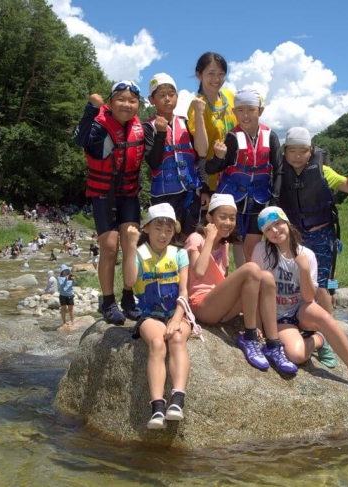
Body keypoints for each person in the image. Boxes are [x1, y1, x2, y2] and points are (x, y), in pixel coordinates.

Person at [252, 207, 348, 392]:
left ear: (287, 223)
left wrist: (305, 270)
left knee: (324, 317)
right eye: (268, 229)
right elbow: (257, 290)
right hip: (277, 316)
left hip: (301, 308)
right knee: (296, 355)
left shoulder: (307, 254)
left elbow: (308, 297)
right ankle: (318, 340)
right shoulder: (261, 251)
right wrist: (258, 324)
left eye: (277, 224)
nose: (275, 231)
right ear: (264, 234)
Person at [184, 193, 297, 374]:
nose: (228, 222)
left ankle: (273, 343)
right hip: (202, 306)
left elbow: (224, 280)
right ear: (209, 217)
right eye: (222, 217)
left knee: (266, 277)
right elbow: (199, 272)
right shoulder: (196, 239)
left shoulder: (224, 244)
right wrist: (210, 239)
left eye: (232, 218)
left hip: (222, 308)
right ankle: (249, 337)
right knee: (251, 268)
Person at [74, 80, 145, 324]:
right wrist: (90, 109)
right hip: (103, 193)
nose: (126, 104)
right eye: (121, 99)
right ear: (111, 101)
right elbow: (78, 138)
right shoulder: (98, 126)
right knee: (110, 247)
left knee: (130, 243)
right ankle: (107, 301)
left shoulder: (141, 128)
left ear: (138, 105)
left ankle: (128, 297)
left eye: (132, 100)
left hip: (128, 194)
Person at [278, 127, 348, 314]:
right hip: (294, 236)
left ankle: (327, 330)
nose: (297, 156)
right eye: (292, 151)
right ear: (284, 152)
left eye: (303, 151)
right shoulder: (278, 173)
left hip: (321, 234)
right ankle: (300, 320)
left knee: (321, 284)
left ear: (311, 151)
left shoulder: (322, 170)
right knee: (294, 280)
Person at [123, 203, 193, 429]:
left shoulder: (180, 254)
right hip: (149, 315)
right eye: (158, 228)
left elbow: (184, 291)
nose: (163, 235)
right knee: (156, 342)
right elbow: (130, 282)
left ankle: (177, 401)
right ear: (147, 229)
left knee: (177, 338)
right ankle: (157, 408)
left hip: (177, 312)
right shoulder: (139, 254)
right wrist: (131, 247)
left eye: (168, 230)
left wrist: (176, 319)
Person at [205, 89, 281, 265]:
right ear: (234, 112)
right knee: (232, 241)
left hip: (259, 197)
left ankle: (250, 283)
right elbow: (211, 168)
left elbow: (279, 170)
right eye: (240, 110)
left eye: (251, 109)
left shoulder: (271, 136)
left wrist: (275, 199)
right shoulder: (232, 138)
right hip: (232, 196)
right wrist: (218, 156)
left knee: (252, 248)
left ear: (260, 111)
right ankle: (230, 282)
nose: (245, 115)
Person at [144, 73, 208, 241]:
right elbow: (153, 161)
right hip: (163, 196)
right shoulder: (148, 127)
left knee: (190, 238)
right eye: (162, 95)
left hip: (190, 192)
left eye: (171, 95)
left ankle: (189, 267)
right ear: (152, 100)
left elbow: (199, 158)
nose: (167, 99)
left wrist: (205, 188)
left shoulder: (186, 123)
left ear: (177, 97)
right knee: (166, 240)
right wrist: (160, 134)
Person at [187, 52, 237, 202]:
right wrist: (199, 113)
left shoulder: (229, 96)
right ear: (199, 75)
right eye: (211, 73)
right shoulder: (196, 105)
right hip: (211, 181)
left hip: (234, 177)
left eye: (221, 74)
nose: (216, 79)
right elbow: (201, 150)